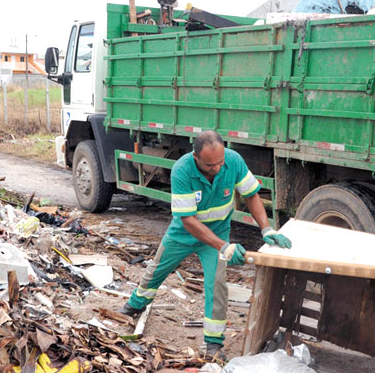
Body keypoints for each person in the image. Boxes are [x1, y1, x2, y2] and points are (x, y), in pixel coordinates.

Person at [120, 131, 292, 360]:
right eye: (210, 165)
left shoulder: (233, 161)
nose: (218, 168)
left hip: (217, 234)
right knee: (156, 270)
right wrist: (224, 247)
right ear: (195, 157)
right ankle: (135, 304)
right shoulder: (182, 170)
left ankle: (213, 343)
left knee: (217, 284)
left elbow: (251, 195)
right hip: (183, 234)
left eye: (220, 162)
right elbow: (188, 221)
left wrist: (266, 228)